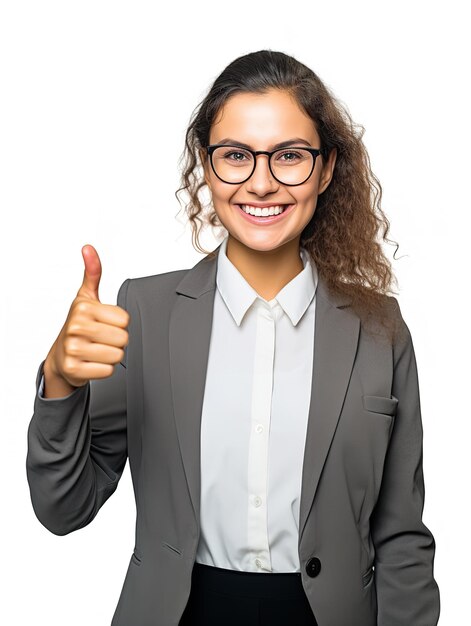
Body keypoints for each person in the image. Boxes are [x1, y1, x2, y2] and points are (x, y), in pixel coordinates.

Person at [26, 49, 440, 626]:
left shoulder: (380, 329)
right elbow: (62, 507)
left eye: (290, 156)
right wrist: (60, 383)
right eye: (237, 156)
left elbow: (401, 537)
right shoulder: (145, 313)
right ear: (207, 165)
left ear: (324, 168)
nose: (262, 183)